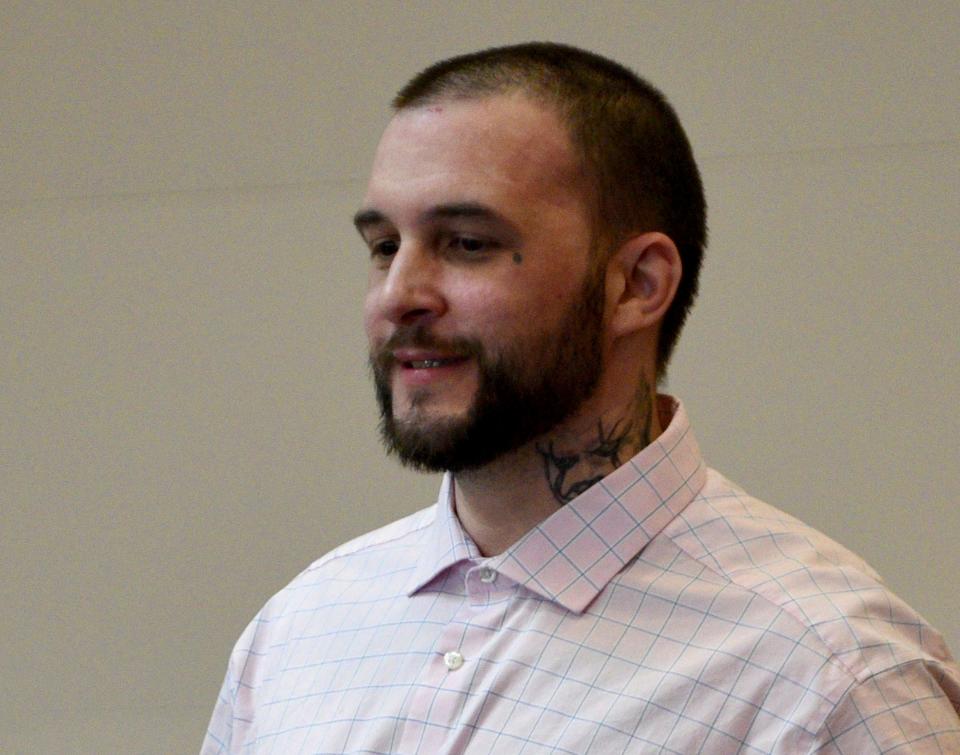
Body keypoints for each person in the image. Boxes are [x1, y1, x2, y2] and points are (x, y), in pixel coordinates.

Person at [203, 43, 960, 753]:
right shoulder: (297, 633)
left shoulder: (830, 679)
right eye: (383, 247)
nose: (398, 296)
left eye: (468, 242)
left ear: (637, 284)